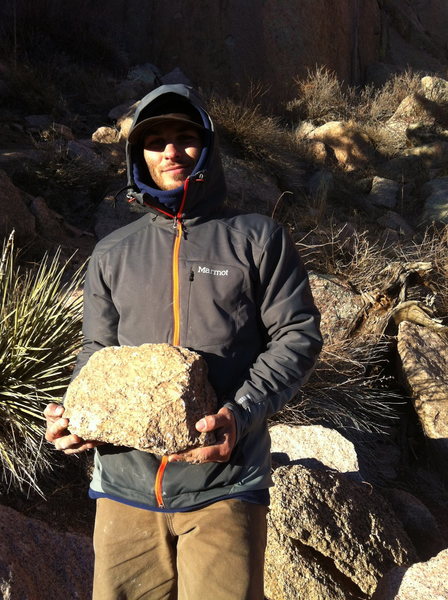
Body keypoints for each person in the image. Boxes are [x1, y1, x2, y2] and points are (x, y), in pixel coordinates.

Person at [44, 83, 322, 600]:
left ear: (207, 147)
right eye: (155, 140)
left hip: (225, 486)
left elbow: (297, 335)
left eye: (184, 136)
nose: (170, 151)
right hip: (124, 489)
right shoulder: (113, 251)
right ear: (138, 155)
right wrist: (75, 412)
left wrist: (238, 416)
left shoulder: (257, 238)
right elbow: (97, 350)